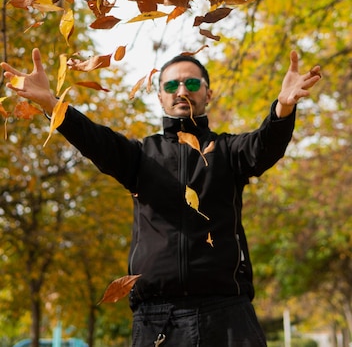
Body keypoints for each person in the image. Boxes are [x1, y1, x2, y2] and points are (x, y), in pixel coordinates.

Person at [1, 48, 321, 347]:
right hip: (157, 319)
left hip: (226, 314)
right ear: (160, 96)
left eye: (192, 83)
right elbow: (95, 140)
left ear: (208, 93)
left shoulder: (228, 152)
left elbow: (265, 145)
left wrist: (283, 109)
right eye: (172, 85)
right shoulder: (142, 157)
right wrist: (51, 104)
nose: (182, 90)